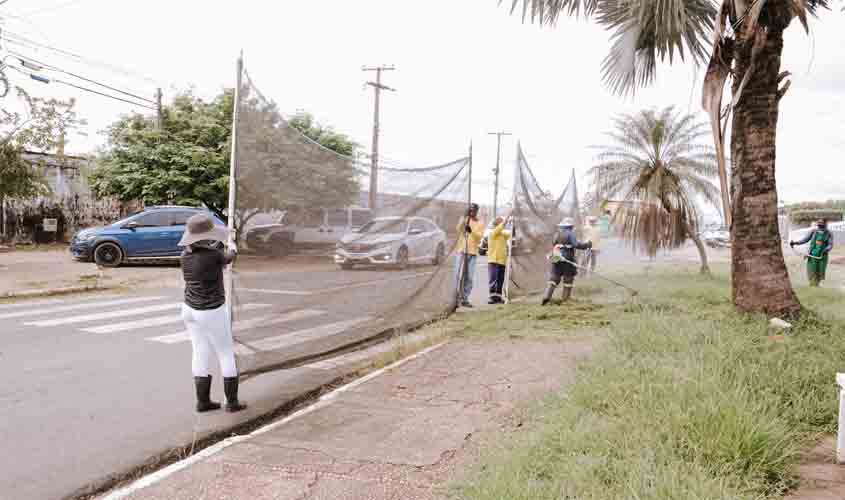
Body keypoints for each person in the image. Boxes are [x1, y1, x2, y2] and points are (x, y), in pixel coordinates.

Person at [179, 214, 247, 413]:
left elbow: (210, 252)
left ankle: (203, 402)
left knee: (200, 351)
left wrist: (219, 243)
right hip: (211, 310)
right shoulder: (214, 256)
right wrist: (232, 244)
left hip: (189, 310)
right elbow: (229, 256)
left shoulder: (185, 256)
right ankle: (232, 403)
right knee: (226, 353)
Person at [541, 217, 592, 305]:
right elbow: (576, 244)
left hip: (556, 258)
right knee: (568, 278)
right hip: (567, 259)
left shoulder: (557, 234)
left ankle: (546, 296)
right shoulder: (570, 234)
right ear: (570, 226)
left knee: (554, 277)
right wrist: (587, 245)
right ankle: (565, 299)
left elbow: (554, 244)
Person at [454, 203, 484, 308]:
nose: (472, 212)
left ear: (476, 211)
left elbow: (479, 237)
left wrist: (471, 231)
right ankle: (455, 298)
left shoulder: (480, 223)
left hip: (472, 253)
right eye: (470, 210)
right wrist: (464, 218)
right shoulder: (465, 219)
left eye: (474, 210)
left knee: (469, 277)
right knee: (457, 275)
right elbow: (458, 229)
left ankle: (465, 298)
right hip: (462, 251)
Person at [790, 218, 834, 287]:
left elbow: (830, 244)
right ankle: (812, 284)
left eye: (822, 224)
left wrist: (826, 249)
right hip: (812, 255)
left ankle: (816, 284)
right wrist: (795, 243)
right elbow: (805, 240)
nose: (820, 226)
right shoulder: (813, 231)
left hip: (822, 256)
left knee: (820, 271)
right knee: (812, 270)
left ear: (825, 224)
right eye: (819, 224)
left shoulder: (829, 233)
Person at [487, 212, 512, 304]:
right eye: (501, 223)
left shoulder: (502, 235)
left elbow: (511, 234)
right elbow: (502, 225)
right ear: (497, 224)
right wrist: (508, 215)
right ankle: (491, 297)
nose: (503, 225)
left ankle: (498, 297)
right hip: (493, 260)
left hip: (502, 261)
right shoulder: (493, 233)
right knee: (493, 280)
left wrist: (512, 224)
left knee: (500, 280)